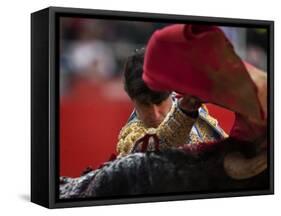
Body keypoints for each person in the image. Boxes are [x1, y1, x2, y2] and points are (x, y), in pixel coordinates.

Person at [116, 48, 228, 157]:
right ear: (132, 99)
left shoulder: (187, 102)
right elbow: (154, 151)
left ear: (171, 90)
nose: (155, 114)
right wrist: (183, 113)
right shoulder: (132, 136)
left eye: (159, 102)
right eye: (145, 105)